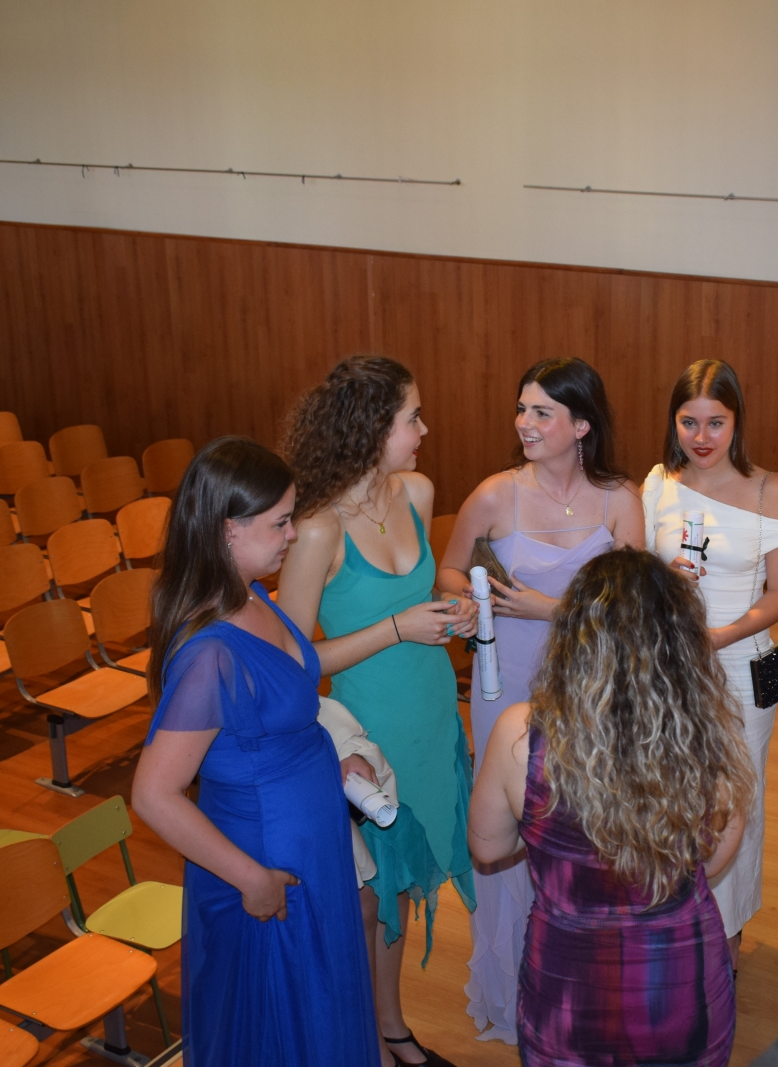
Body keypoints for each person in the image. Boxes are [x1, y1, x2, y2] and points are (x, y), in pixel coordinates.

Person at [131, 437, 380, 1066]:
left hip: (309, 847)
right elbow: (154, 795)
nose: (293, 535)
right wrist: (252, 879)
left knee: (319, 1015)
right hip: (266, 866)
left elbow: (272, 727)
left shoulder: (254, 596)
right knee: (281, 1030)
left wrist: (332, 764)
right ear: (228, 530)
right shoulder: (210, 653)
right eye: (279, 523)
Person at [468, 548, 755, 1067]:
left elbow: (488, 848)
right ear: (679, 643)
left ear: (572, 637)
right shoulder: (709, 739)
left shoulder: (521, 735)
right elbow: (711, 863)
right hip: (679, 985)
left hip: (567, 989)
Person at [435, 356, 644, 1044]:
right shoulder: (495, 494)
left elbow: (633, 607)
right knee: (511, 823)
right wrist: (469, 602)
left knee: (587, 827)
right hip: (508, 680)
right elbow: (449, 569)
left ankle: (584, 981)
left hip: (593, 682)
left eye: (542, 412)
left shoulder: (620, 498)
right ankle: (515, 988)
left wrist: (548, 607)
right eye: (522, 408)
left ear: (581, 425)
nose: (524, 423)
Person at [278, 355, 475, 1067]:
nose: (424, 430)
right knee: (374, 899)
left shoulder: (416, 492)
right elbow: (292, 660)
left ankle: (389, 1028)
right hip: (368, 734)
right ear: (369, 427)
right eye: (411, 418)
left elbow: (418, 601)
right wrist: (397, 628)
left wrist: (453, 611)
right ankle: (372, 1036)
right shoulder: (317, 529)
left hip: (431, 716)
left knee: (405, 889)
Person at [642, 359, 778, 966]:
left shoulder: (769, 489)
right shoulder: (658, 483)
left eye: (716, 422)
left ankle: (726, 936)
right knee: (673, 795)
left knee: (736, 803)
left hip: (742, 664)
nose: (701, 437)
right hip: (670, 666)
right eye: (689, 422)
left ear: (737, 422)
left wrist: (721, 636)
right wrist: (661, 578)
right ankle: (675, 923)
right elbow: (633, 573)